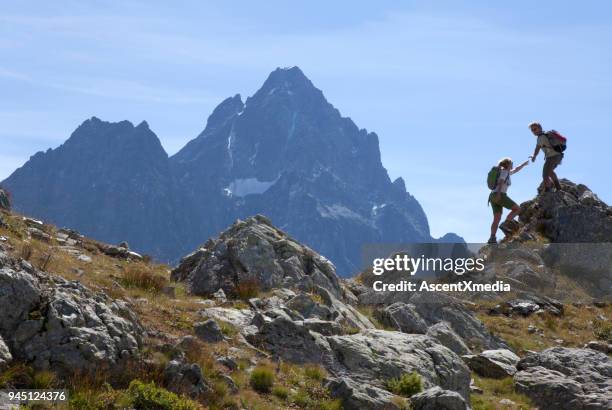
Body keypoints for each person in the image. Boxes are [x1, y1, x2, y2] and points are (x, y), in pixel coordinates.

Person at [488, 157, 529, 244]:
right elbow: (501, 182)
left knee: (496, 219)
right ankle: (506, 224)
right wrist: (499, 194)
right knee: (517, 209)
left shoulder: (505, 172)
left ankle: (492, 238)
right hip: (500, 195)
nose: (512, 164)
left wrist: (524, 164)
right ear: (507, 164)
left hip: (492, 196)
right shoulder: (505, 172)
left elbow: (516, 170)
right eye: (511, 163)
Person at [529, 122, 563, 191]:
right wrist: (534, 156)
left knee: (545, 173)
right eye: (532, 130)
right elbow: (537, 148)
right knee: (550, 172)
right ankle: (558, 187)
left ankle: (548, 190)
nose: (533, 131)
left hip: (553, 156)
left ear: (540, 128)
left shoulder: (542, 137)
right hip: (558, 156)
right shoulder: (541, 137)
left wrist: (534, 156)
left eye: (535, 129)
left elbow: (537, 148)